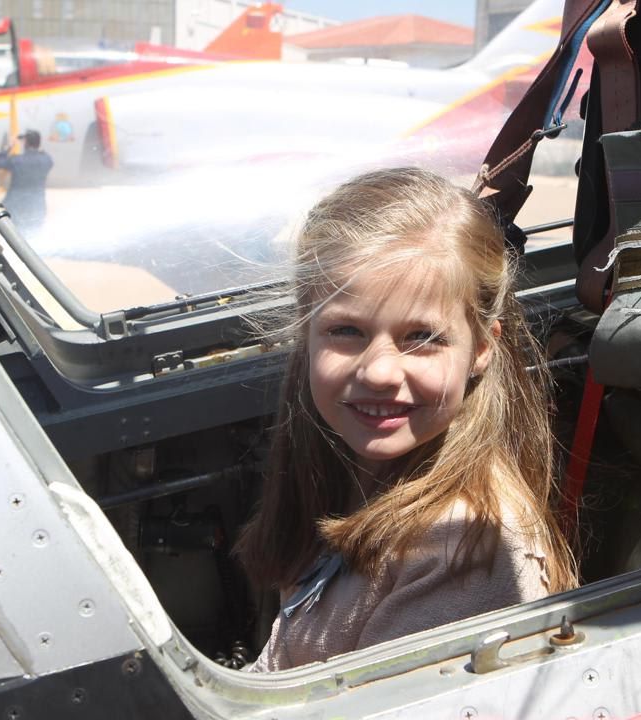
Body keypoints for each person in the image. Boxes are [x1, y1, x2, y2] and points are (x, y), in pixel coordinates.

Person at [235, 167, 577, 672]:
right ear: (305, 335)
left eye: (422, 338)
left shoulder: (463, 555)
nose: (378, 371)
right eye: (346, 330)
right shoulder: (355, 470)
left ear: (482, 348)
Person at [0, 130, 54, 236]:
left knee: (16, 238)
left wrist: (8, 147)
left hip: (16, 206)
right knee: (33, 237)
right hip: (37, 206)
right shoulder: (47, 160)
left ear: (25, 143)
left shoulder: (16, 160)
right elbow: (45, 155)